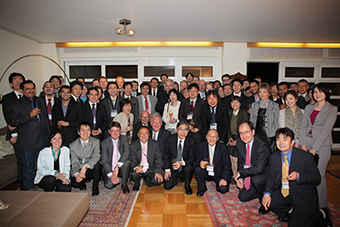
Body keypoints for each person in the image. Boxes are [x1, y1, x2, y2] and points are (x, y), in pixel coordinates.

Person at [262, 128, 323, 226]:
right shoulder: (274, 157)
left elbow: (316, 178)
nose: (281, 142)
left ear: (292, 142)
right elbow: (271, 177)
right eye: (278, 139)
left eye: (285, 139)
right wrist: (267, 193)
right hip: (285, 191)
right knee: (270, 201)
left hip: (302, 195)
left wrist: (299, 176)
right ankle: (289, 211)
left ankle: (318, 215)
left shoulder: (305, 156)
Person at [299, 83, 337, 226]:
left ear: (326, 93)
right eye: (315, 92)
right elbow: (303, 126)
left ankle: (323, 209)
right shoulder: (309, 107)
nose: (317, 94)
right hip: (306, 144)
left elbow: (327, 130)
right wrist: (303, 144)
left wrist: (314, 148)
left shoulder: (332, 109)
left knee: (319, 177)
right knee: (306, 175)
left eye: (320, 92)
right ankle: (309, 204)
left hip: (322, 146)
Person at [10, 80, 50, 190]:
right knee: (28, 167)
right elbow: (13, 122)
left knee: (43, 165)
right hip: (27, 140)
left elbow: (45, 119)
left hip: (42, 138)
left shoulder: (40, 101)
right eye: (27, 89)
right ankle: (29, 188)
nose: (31, 90)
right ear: (22, 91)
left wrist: (48, 136)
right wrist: (29, 115)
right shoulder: (17, 104)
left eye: (32, 88)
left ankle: (42, 185)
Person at [236, 120, 270, 214]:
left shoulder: (262, 144)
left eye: (247, 132)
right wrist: (241, 177)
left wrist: (241, 173)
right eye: (241, 133)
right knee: (242, 197)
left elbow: (259, 168)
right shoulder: (239, 142)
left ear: (253, 132)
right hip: (250, 172)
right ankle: (257, 191)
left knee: (256, 180)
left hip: (263, 174)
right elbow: (240, 161)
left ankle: (264, 201)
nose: (244, 136)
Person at [2, 72, 25, 185]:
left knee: (30, 159)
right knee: (21, 159)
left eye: (20, 79)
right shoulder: (7, 98)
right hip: (17, 134)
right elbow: (9, 118)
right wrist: (14, 134)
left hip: (30, 133)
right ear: (11, 84)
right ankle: (21, 183)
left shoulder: (28, 96)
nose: (18, 82)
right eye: (15, 80)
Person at [195, 129, 231, 197]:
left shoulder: (223, 147)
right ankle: (202, 188)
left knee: (223, 189)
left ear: (217, 138)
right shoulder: (201, 146)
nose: (211, 138)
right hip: (206, 171)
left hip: (218, 173)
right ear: (206, 136)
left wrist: (224, 178)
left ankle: (218, 183)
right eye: (209, 136)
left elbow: (227, 164)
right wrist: (200, 162)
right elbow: (197, 160)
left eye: (214, 136)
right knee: (197, 170)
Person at [163, 121, 196, 195]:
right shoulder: (170, 139)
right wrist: (167, 169)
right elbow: (166, 155)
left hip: (185, 165)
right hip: (173, 165)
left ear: (188, 131)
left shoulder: (192, 141)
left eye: (185, 129)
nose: (182, 132)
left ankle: (187, 185)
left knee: (189, 168)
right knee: (167, 186)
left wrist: (181, 163)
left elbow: (192, 157)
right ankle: (178, 176)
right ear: (177, 130)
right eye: (180, 129)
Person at [70, 122, 102, 196]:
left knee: (98, 165)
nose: (85, 132)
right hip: (79, 168)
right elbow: (74, 162)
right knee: (75, 183)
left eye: (88, 130)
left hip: (90, 168)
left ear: (91, 132)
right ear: (78, 132)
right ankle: (82, 181)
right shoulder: (72, 145)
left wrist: (85, 166)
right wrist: (77, 174)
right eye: (83, 130)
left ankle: (95, 187)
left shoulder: (95, 142)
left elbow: (96, 156)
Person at [101, 121, 131, 194]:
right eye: (113, 131)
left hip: (121, 166)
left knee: (127, 162)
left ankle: (124, 183)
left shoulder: (124, 139)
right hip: (110, 167)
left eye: (117, 130)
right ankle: (115, 178)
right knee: (109, 185)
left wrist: (117, 166)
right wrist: (112, 175)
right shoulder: (104, 143)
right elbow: (104, 161)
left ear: (120, 131)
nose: (115, 133)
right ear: (109, 131)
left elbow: (126, 153)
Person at [250, 83, 279, 152]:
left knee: (269, 153)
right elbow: (252, 120)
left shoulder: (274, 105)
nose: (262, 94)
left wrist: (276, 135)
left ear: (269, 93)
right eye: (260, 92)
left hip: (269, 134)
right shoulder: (254, 105)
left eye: (264, 92)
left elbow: (276, 121)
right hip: (257, 133)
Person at [227, 96, 249, 181]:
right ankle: (233, 175)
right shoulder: (229, 112)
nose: (234, 104)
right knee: (231, 157)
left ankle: (238, 176)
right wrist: (229, 138)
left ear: (240, 103)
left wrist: (239, 140)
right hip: (231, 137)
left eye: (237, 102)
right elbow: (228, 127)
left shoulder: (244, 113)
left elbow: (245, 128)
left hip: (240, 138)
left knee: (237, 159)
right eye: (233, 102)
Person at [179, 83, 205, 150]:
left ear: (198, 92)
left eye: (194, 91)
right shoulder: (184, 102)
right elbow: (180, 116)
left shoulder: (203, 103)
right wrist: (187, 126)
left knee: (197, 149)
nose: (192, 93)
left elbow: (204, 118)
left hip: (198, 131)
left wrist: (198, 128)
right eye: (190, 91)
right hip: (186, 130)